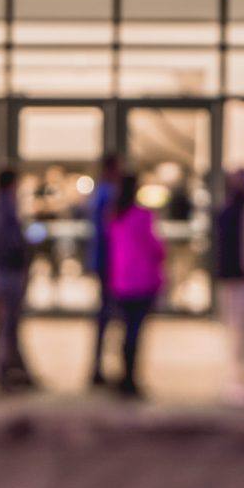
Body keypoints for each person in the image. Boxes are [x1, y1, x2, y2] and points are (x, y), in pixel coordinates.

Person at [103, 174, 165, 399]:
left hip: (121, 282)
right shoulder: (142, 216)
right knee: (134, 332)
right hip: (141, 282)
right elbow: (155, 248)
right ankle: (129, 377)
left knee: (125, 330)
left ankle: (124, 375)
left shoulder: (115, 216)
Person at [0, 166, 37, 391]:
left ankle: (10, 367)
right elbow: (10, 243)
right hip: (8, 272)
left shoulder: (0, 207)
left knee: (6, 325)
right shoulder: (6, 208)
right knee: (7, 324)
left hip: (4, 271)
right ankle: (5, 368)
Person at [212, 167, 244, 405]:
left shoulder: (242, 212)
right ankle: (236, 383)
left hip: (241, 279)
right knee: (239, 334)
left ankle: (239, 381)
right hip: (239, 279)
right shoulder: (237, 213)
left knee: (242, 334)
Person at [85, 151, 125, 390]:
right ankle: (101, 368)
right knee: (110, 317)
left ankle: (100, 367)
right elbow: (107, 233)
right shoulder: (108, 195)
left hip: (105, 262)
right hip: (110, 264)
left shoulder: (99, 193)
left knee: (106, 317)